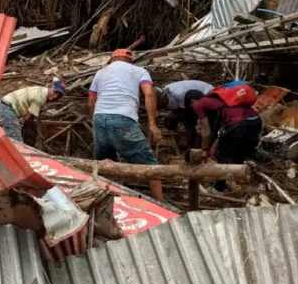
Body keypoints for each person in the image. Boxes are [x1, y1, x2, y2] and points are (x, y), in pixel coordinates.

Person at [88, 49, 163, 200]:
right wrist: (152, 124)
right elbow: (149, 93)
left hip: (99, 118)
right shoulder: (139, 71)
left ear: (112, 58)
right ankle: (162, 204)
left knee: (106, 164)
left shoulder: (100, 72)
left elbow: (91, 101)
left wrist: (96, 119)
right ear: (130, 60)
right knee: (151, 167)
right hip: (123, 118)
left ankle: (109, 199)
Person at [190, 82, 262, 191]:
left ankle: (219, 188)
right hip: (255, 121)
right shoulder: (226, 100)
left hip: (238, 124)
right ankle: (241, 182)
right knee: (240, 152)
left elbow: (207, 132)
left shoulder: (198, 105)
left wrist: (204, 149)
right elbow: (219, 131)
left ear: (192, 101)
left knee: (222, 156)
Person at [0, 78, 66, 144]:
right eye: (55, 92)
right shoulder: (40, 98)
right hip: (7, 107)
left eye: (58, 95)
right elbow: (28, 117)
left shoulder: (42, 90)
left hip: (8, 105)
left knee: (15, 132)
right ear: (51, 87)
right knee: (16, 139)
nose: (55, 96)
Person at [160, 80, 213, 152]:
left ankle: (195, 147)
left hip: (207, 94)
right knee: (172, 118)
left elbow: (187, 112)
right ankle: (184, 138)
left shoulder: (180, 94)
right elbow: (177, 110)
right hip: (189, 99)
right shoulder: (166, 92)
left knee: (194, 124)